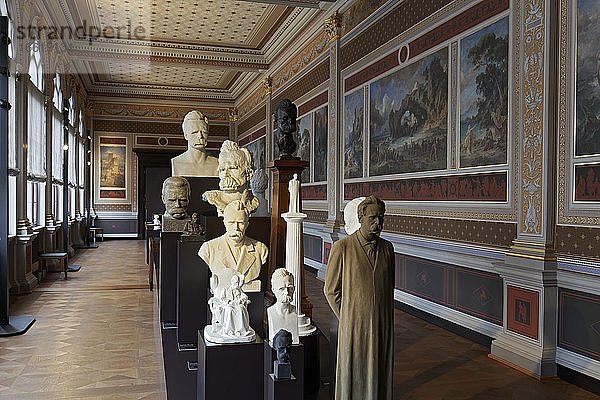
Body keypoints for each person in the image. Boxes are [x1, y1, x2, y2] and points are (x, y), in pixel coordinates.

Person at [324, 195, 395, 400]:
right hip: (354, 326)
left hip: (381, 325)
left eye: (381, 218)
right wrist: (347, 317)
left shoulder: (387, 248)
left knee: (379, 370)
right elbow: (331, 290)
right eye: (373, 218)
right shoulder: (343, 248)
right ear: (361, 218)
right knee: (354, 373)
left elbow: (389, 288)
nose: (378, 223)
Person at [198, 200, 268, 292]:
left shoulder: (260, 249)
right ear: (224, 222)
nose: (236, 228)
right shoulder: (208, 249)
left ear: (247, 224)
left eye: (241, 223)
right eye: (231, 222)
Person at [202, 140, 259, 215]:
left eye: (232, 168)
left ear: (249, 174)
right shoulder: (212, 198)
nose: (226, 174)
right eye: (222, 169)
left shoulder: (253, 202)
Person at [171, 110, 219, 177]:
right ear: (186, 136)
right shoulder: (177, 162)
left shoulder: (217, 163)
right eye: (194, 132)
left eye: (204, 132)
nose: (200, 136)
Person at [267, 268, 299, 344]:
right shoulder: (271, 312)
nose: (286, 292)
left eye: (290, 288)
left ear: (294, 289)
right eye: (281, 289)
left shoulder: (295, 311)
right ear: (273, 290)